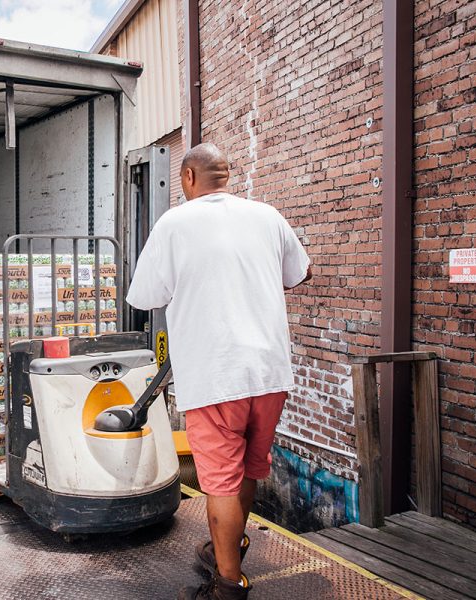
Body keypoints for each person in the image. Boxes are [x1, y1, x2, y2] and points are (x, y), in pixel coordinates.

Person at [126, 142, 311, 600]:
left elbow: (144, 295)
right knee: (247, 470)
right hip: (269, 373)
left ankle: (228, 584)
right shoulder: (267, 216)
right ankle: (230, 547)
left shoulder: (174, 223)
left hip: (215, 376)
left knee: (221, 483)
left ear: (188, 178)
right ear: (227, 176)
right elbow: (300, 274)